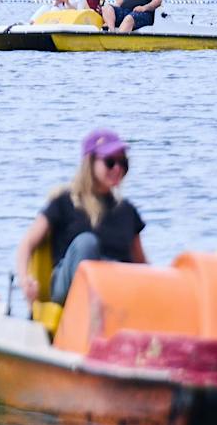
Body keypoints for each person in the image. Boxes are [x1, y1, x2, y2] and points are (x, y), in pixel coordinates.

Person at [14, 129, 149, 307]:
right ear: (90, 163)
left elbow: (142, 264)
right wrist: (25, 280)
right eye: (110, 162)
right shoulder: (64, 202)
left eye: (123, 162)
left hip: (115, 288)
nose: (118, 168)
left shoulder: (127, 211)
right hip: (70, 288)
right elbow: (27, 243)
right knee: (87, 243)